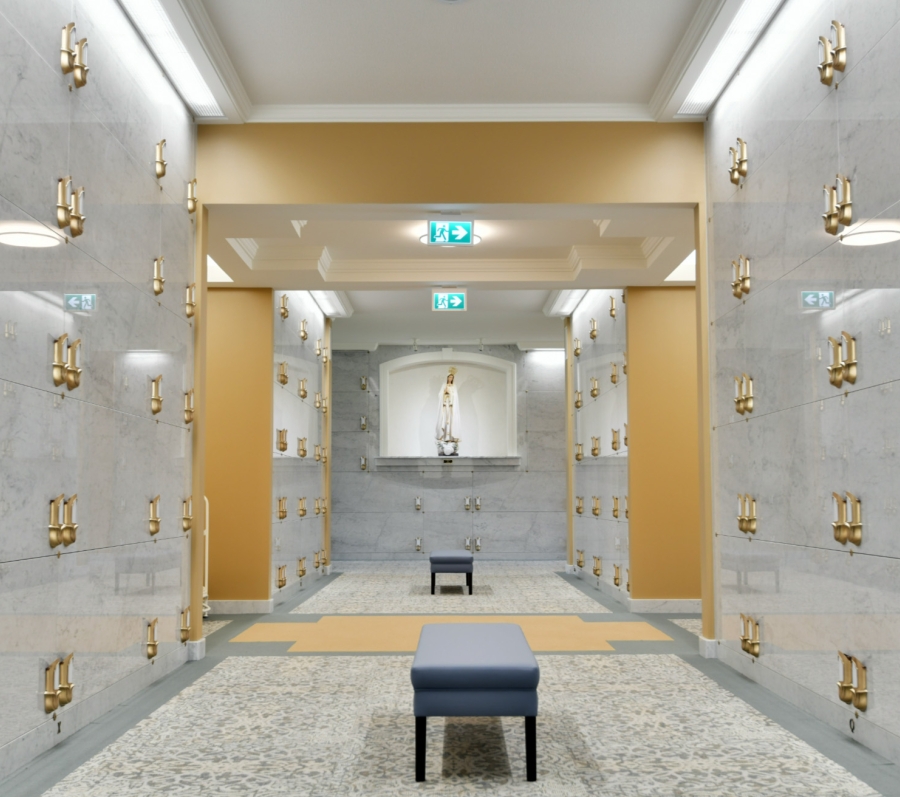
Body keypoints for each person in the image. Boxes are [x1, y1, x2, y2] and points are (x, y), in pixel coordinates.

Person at [435, 368, 461, 455]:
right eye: (449, 377)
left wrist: (451, 395)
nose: (450, 379)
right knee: (445, 421)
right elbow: (439, 395)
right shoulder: (444, 385)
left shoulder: (454, 387)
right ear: (447, 378)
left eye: (452, 377)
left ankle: (450, 438)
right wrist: (444, 393)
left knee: (451, 422)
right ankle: (444, 437)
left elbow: (456, 397)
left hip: (451, 408)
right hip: (445, 407)